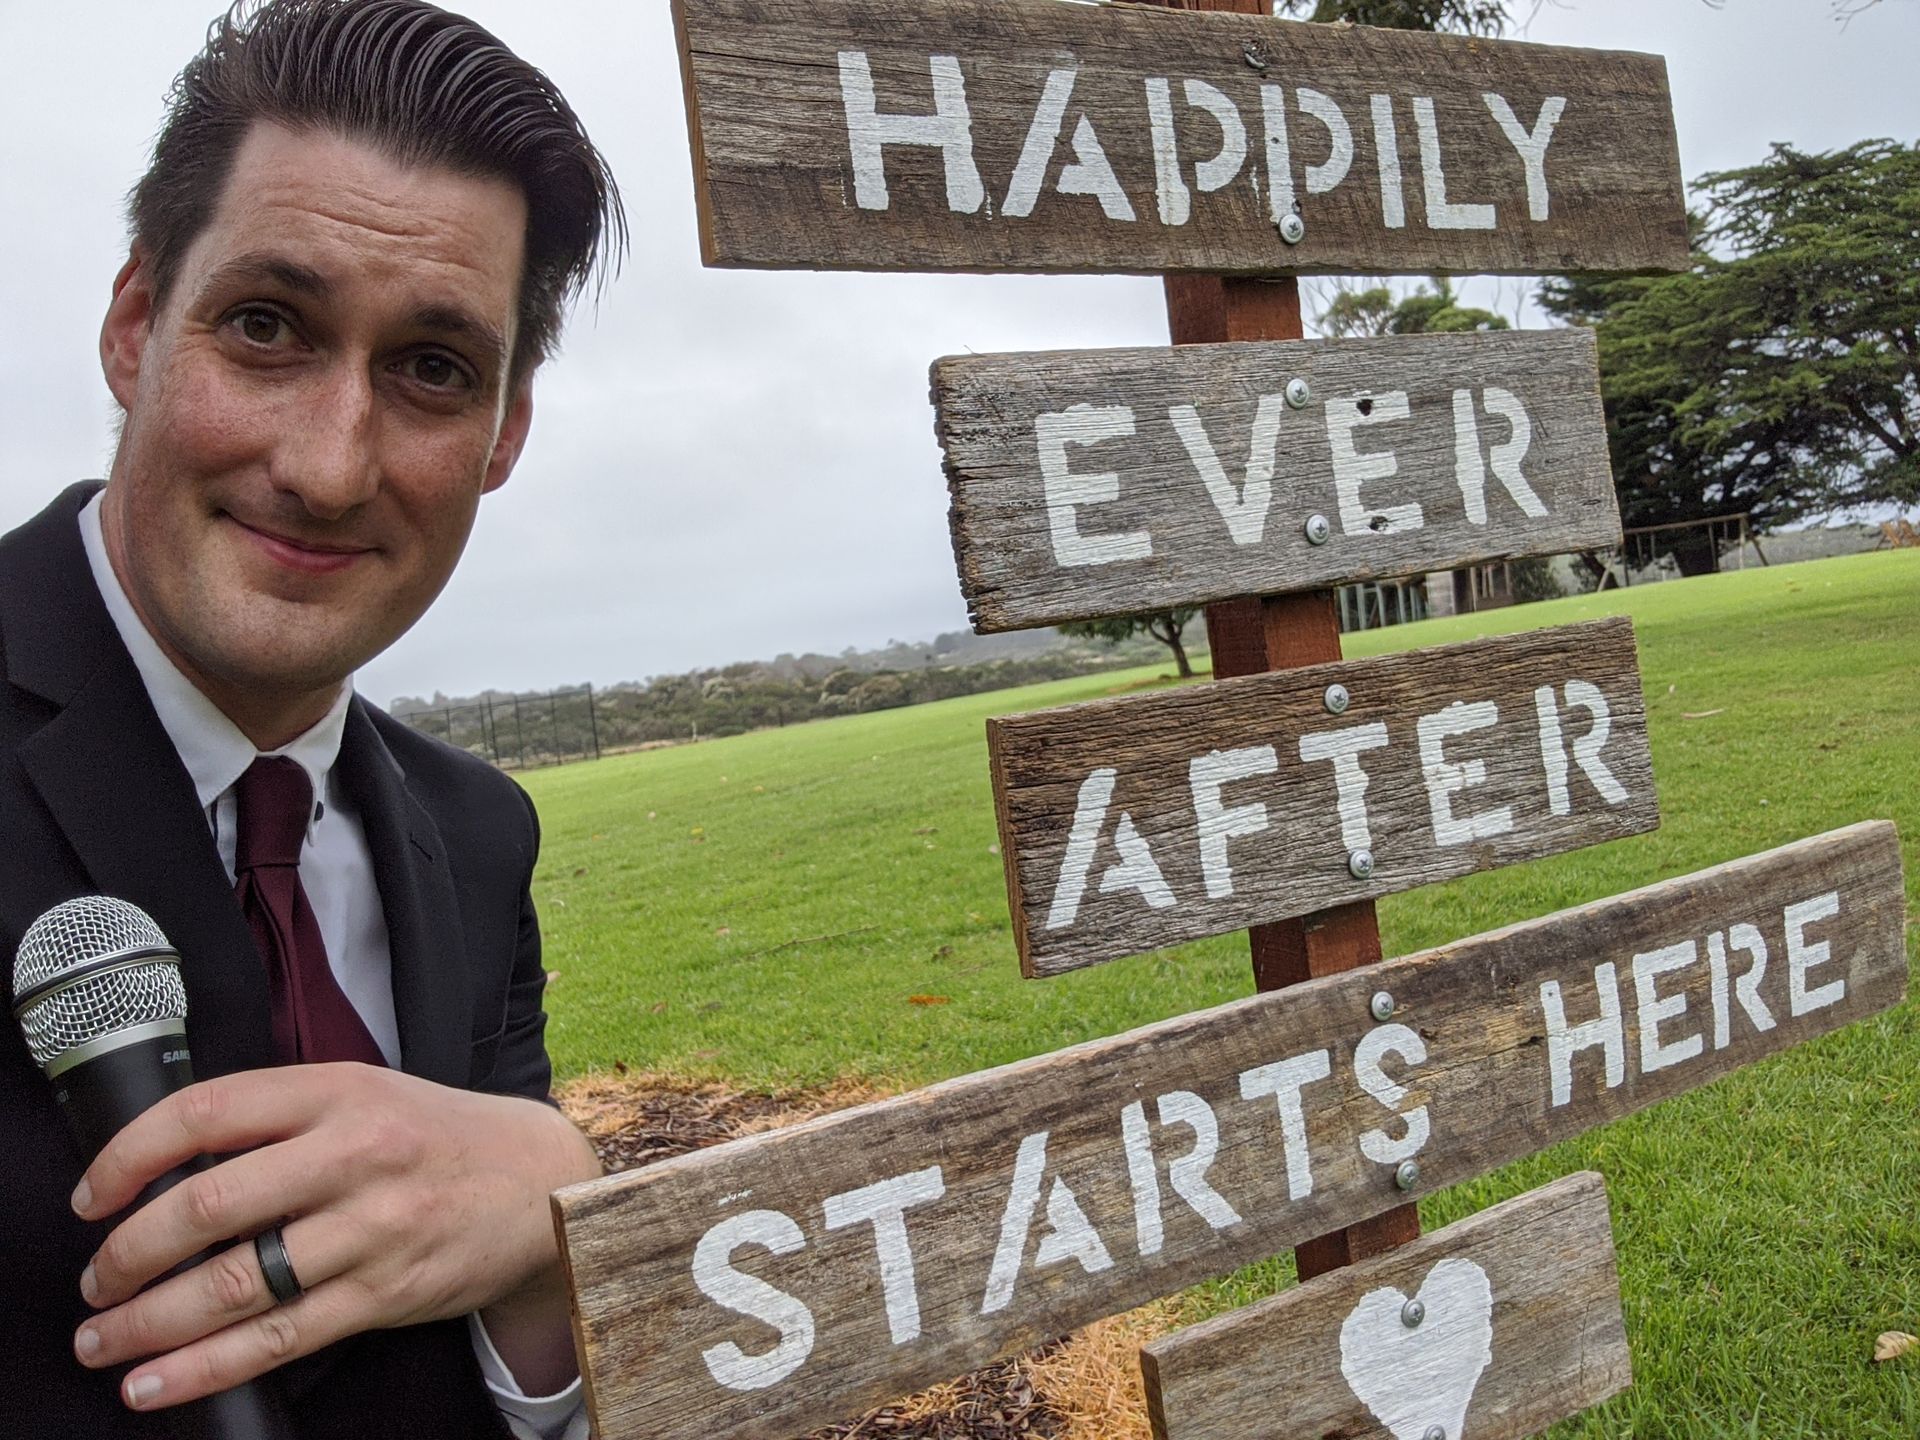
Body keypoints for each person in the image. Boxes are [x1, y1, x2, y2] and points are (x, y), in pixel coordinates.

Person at [0, 1, 627, 1435]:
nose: (331, 468)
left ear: (505, 431)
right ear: (136, 325)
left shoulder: (480, 833)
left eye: (432, 368)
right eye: (267, 327)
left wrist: (557, 1225)